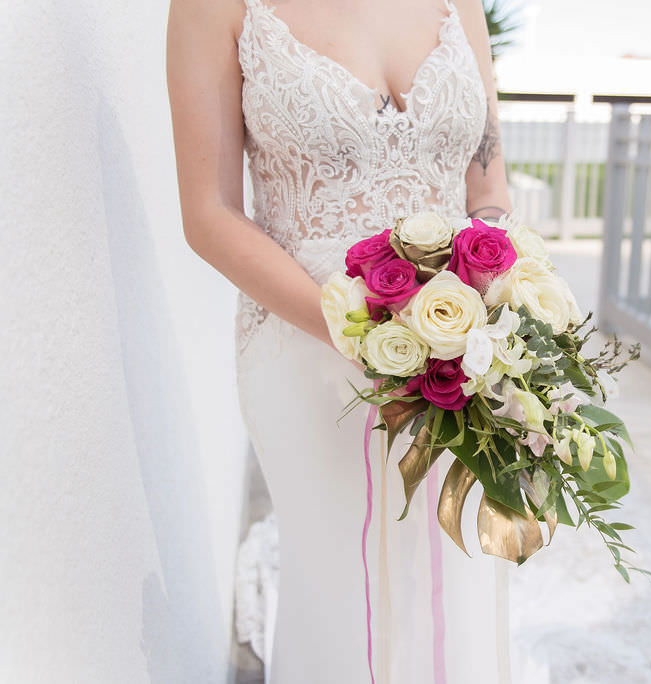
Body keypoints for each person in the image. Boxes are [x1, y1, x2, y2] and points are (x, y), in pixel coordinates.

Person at [166, 0, 514, 682]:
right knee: (343, 591)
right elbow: (209, 212)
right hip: (305, 349)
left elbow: (488, 188)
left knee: (455, 573)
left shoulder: (458, 5)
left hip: (458, 354)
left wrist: (486, 300)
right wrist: (366, 333)